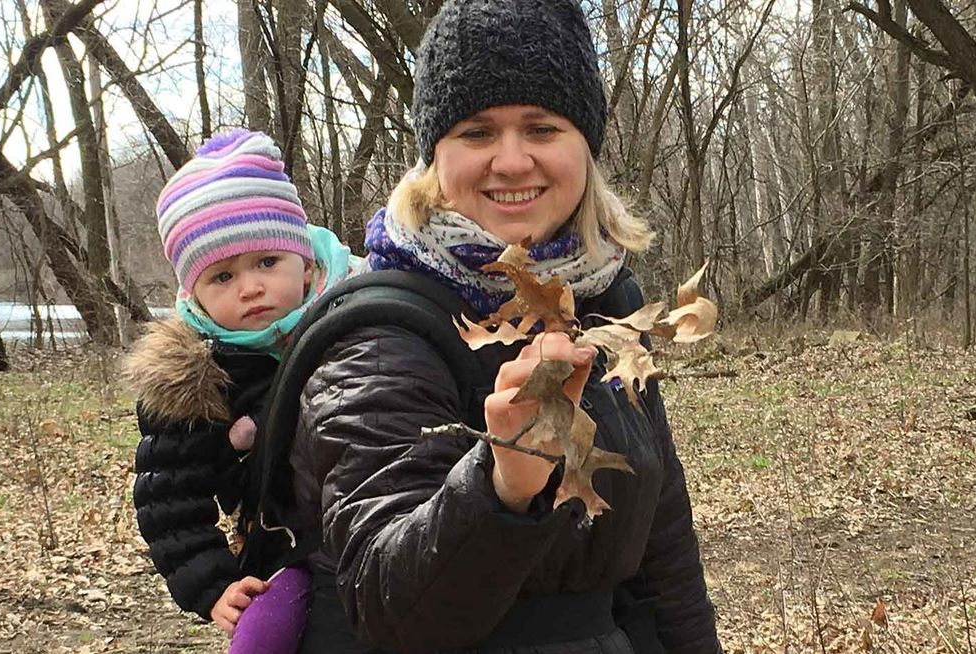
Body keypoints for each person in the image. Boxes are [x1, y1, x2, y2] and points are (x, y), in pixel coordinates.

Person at [288, 1, 723, 652]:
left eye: (542, 127)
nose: (512, 161)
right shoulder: (381, 335)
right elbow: (383, 607)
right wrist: (501, 486)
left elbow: (662, 543)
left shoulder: (607, 298)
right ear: (434, 153)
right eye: (477, 131)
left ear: (586, 145)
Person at [125, 129, 363, 654]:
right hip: (289, 552)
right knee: (262, 637)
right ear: (195, 293)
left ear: (304, 259)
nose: (249, 287)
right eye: (222, 276)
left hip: (393, 520)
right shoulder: (197, 376)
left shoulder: (364, 315)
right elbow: (169, 496)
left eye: (267, 262)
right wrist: (213, 585)